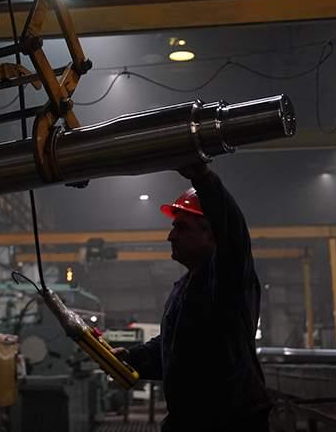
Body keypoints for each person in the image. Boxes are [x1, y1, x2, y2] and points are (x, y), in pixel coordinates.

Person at [114, 161, 271, 432]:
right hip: (190, 420)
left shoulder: (228, 278)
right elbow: (175, 348)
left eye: (182, 228)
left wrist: (203, 178)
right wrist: (132, 357)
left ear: (212, 234)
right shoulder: (186, 285)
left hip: (229, 423)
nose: (170, 236)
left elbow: (232, 231)